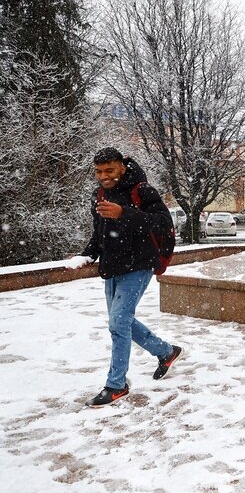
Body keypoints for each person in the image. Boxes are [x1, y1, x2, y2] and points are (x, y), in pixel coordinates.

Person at [70, 147, 184, 407]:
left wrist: (125, 213)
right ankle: (167, 352)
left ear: (122, 167)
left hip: (139, 265)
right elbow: (99, 233)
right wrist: (87, 255)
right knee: (121, 322)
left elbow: (163, 223)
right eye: (99, 171)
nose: (104, 176)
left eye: (109, 170)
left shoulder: (142, 190)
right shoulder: (98, 195)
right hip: (112, 268)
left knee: (118, 322)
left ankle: (116, 385)